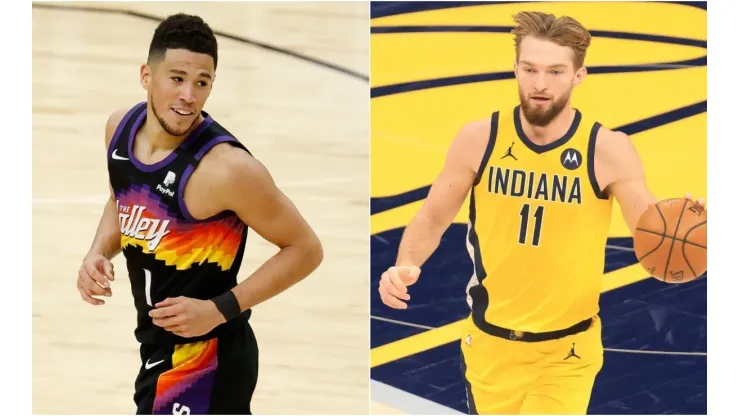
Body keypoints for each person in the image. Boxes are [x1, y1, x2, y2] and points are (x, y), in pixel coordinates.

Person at [377, 10, 704, 415]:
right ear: (515, 68)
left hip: (566, 352)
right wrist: (405, 264)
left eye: (555, 72)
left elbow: (648, 228)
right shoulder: (479, 139)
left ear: (578, 76)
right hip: (489, 347)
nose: (540, 84)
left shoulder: (607, 150)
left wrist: (684, 227)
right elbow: (431, 218)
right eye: (530, 69)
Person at [76, 13, 323, 415]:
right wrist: (97, 252)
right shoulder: (119, 129)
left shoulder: (228, 170)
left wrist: (217, 309)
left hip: (208, 361)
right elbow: (120, 201)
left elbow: (306, 249)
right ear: (146, 76)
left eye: (202, 82)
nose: (189, 95)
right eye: (176, 78)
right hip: (157, 351)